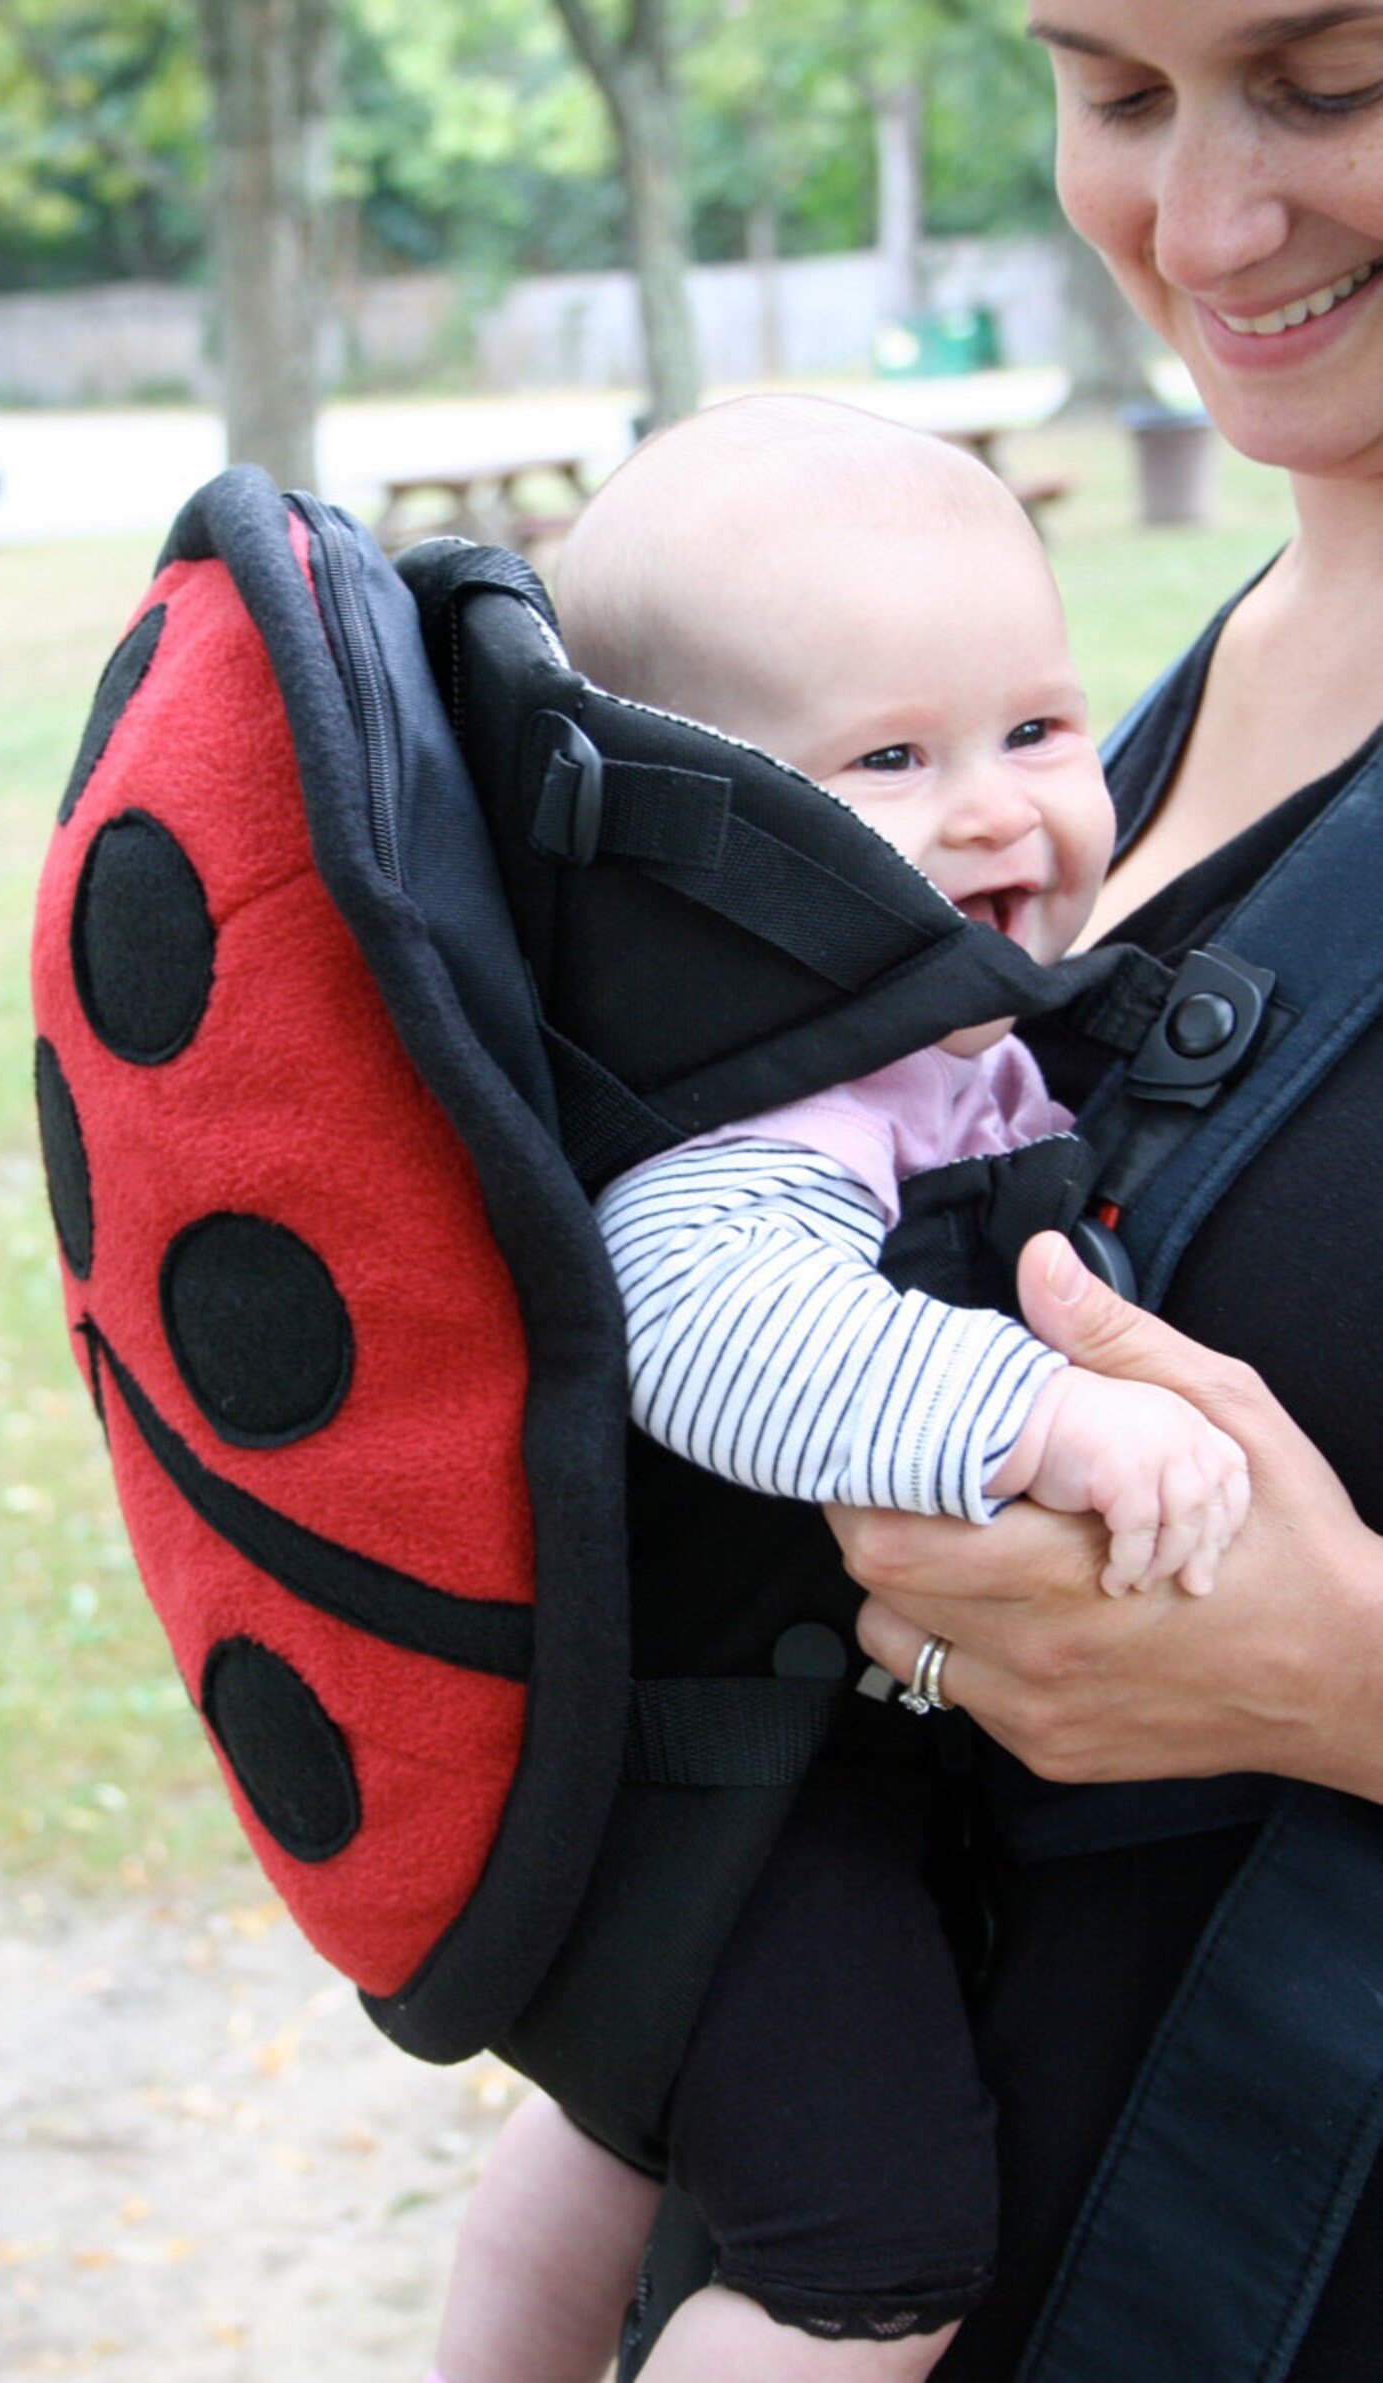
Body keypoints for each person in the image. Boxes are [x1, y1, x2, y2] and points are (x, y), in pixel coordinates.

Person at [427, 395, 1248, 2383]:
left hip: (714, 1776)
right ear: (693, 819)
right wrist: (1043, 1418)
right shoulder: (768, 1088)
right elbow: (706, 1316)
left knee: (631, 2124)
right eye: (888, 758)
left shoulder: (914, 1033)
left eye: (1036, 728)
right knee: (866, 2256)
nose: (994, 809)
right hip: (725, 1792)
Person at [815, 4, 1383, 2375]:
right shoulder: (1125, 711)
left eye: (1333, 82)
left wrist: (1345, 1679)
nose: (1211, 224)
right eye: (1117, 93)